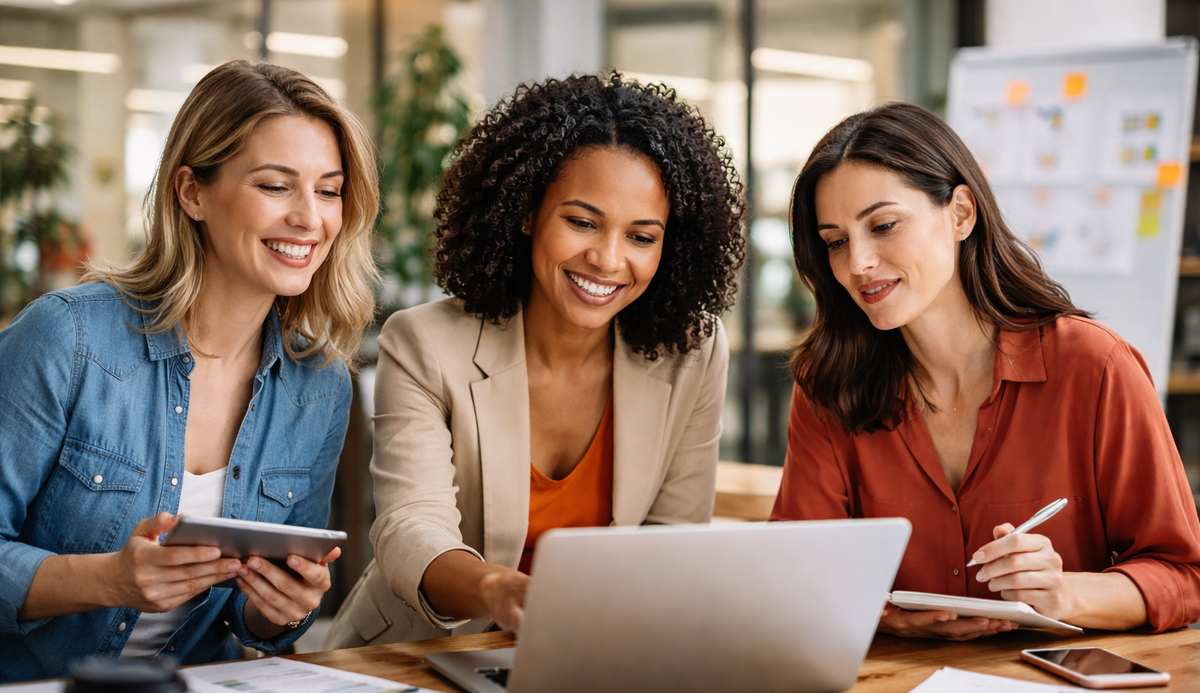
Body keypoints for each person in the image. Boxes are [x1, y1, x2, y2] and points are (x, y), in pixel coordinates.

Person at [324, 73, 744, 647]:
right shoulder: (426, 343)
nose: (607, 259)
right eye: (581, 222)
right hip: (415, 656)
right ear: (527, 213)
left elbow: (671, 540)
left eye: (642, 237)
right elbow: (409, 529)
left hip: (588, 655)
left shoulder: (691, 352)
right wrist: (499, 590)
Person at [0, 60, 380, 681]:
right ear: (192, 192)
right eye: (275, 185)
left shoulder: (320, 386)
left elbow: (257, 624)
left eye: (329, 190)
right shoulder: (66, 338)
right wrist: (109, 580)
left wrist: (278, 611)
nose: (311, 218)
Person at [772, 102, 1200, 639]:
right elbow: (794, 575)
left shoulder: (1096, 368)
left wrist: (1065, 594)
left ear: (961, 214)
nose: (857, 263)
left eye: (883, 226)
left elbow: (1183, 575)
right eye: (836, 242)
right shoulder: (828, 385)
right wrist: (884, 615)